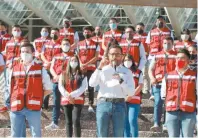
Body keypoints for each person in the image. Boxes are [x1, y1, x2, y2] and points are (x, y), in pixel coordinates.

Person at [89, 45, 135, 137]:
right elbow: (91, 84)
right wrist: (99, 68)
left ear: (122, 56)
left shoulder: (127, 72)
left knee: (119, 134)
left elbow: (131, 92)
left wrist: (121, 81)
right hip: (103, 103)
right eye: (112, 54)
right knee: (102, 133)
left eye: (117, 54)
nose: (115, 57)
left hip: (119, 104)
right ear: (108, 56)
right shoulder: (102, 69)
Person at [8, 43, 52, 137]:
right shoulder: (14, 68)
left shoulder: (40, 69)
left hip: (33, 107)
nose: (24, 53)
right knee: (15, 135)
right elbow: (10, 87)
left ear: (33, 53)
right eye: (22, 52)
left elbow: (48, 88)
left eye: (27, 51)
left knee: (36, 134)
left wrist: (38, 97)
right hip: (16, 106)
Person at [161, 48, 197, 137]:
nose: (179, 60)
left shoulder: (194, 76)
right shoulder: (168, 76)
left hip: (188, 113)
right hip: (171, 112)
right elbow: (163, 95)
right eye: (177, 58)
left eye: (182, 58)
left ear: (188, 60)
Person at [148, 36, 177, 131]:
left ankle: (166, 123)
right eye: (165, 43)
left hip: (171, 84)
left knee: (168, 104)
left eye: (169, 43)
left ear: (172, 44)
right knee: (157, 102)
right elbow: (150, 69)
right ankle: (156, 123)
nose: (167, 45)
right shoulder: (157, 55)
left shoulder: (177, 55)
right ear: (162, 44)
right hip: (158, 83)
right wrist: (152, 78)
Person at [45, 38, 72, 130]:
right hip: (56, 82)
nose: (65, 46)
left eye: (67, 44)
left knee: (69, 102)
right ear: (61, 46)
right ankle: (54, 122)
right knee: (56, 102)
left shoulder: (73, 56)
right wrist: (55, 75)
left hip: (68, 82)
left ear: (70, 45)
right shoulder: (56, 56)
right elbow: (51, 68)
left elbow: (74, 69)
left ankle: (70, 122)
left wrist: (63, 76)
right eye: (64, 44)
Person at [58, 55, 87, 137]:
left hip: (77, 100)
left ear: (78, 62)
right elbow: (60, 86)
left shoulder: (82, 74)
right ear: (69, 62)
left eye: (75, 61)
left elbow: (83, 87)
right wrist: (68, 96)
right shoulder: (63, 74)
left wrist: (72, 95)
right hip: (66, 100)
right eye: (72, 60)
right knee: (68, 121)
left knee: (76, 120)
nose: (73, 62)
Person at [77, 26, 99, 112]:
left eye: (88, 32)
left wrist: (86, 64)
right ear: (83, 33)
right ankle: (80, 103)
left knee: (90, 87)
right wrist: (81, 64)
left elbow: (96, 57)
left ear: (92, 33)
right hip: (81, 68)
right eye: (85, 32)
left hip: (91, 68)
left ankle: (90, 104)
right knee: (79, 86)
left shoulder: (96, 44)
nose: (86, 33)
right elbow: (77, 55)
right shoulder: (79, 43)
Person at [123, 54, 143, 137]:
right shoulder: (120, 71)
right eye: (125, 60)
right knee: (125, 122)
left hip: (134, 99)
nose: (127, 62)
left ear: (132, 61)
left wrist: (131, 95)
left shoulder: (138, 72)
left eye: (129, 60)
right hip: (123, 100)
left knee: (132, 120)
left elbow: (140, 85)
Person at [134, 22, 150, 94]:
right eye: (138, 28)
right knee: (136, 73)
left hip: (145, 58)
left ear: (144, 28)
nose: (139, 29)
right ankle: (137, 87)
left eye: (141, 28)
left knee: (145, 74)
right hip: (135, 59)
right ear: (135, 29)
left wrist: (148, 52)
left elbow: (150, 46)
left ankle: (146, 89)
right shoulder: (134, 36)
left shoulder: (147, 36)